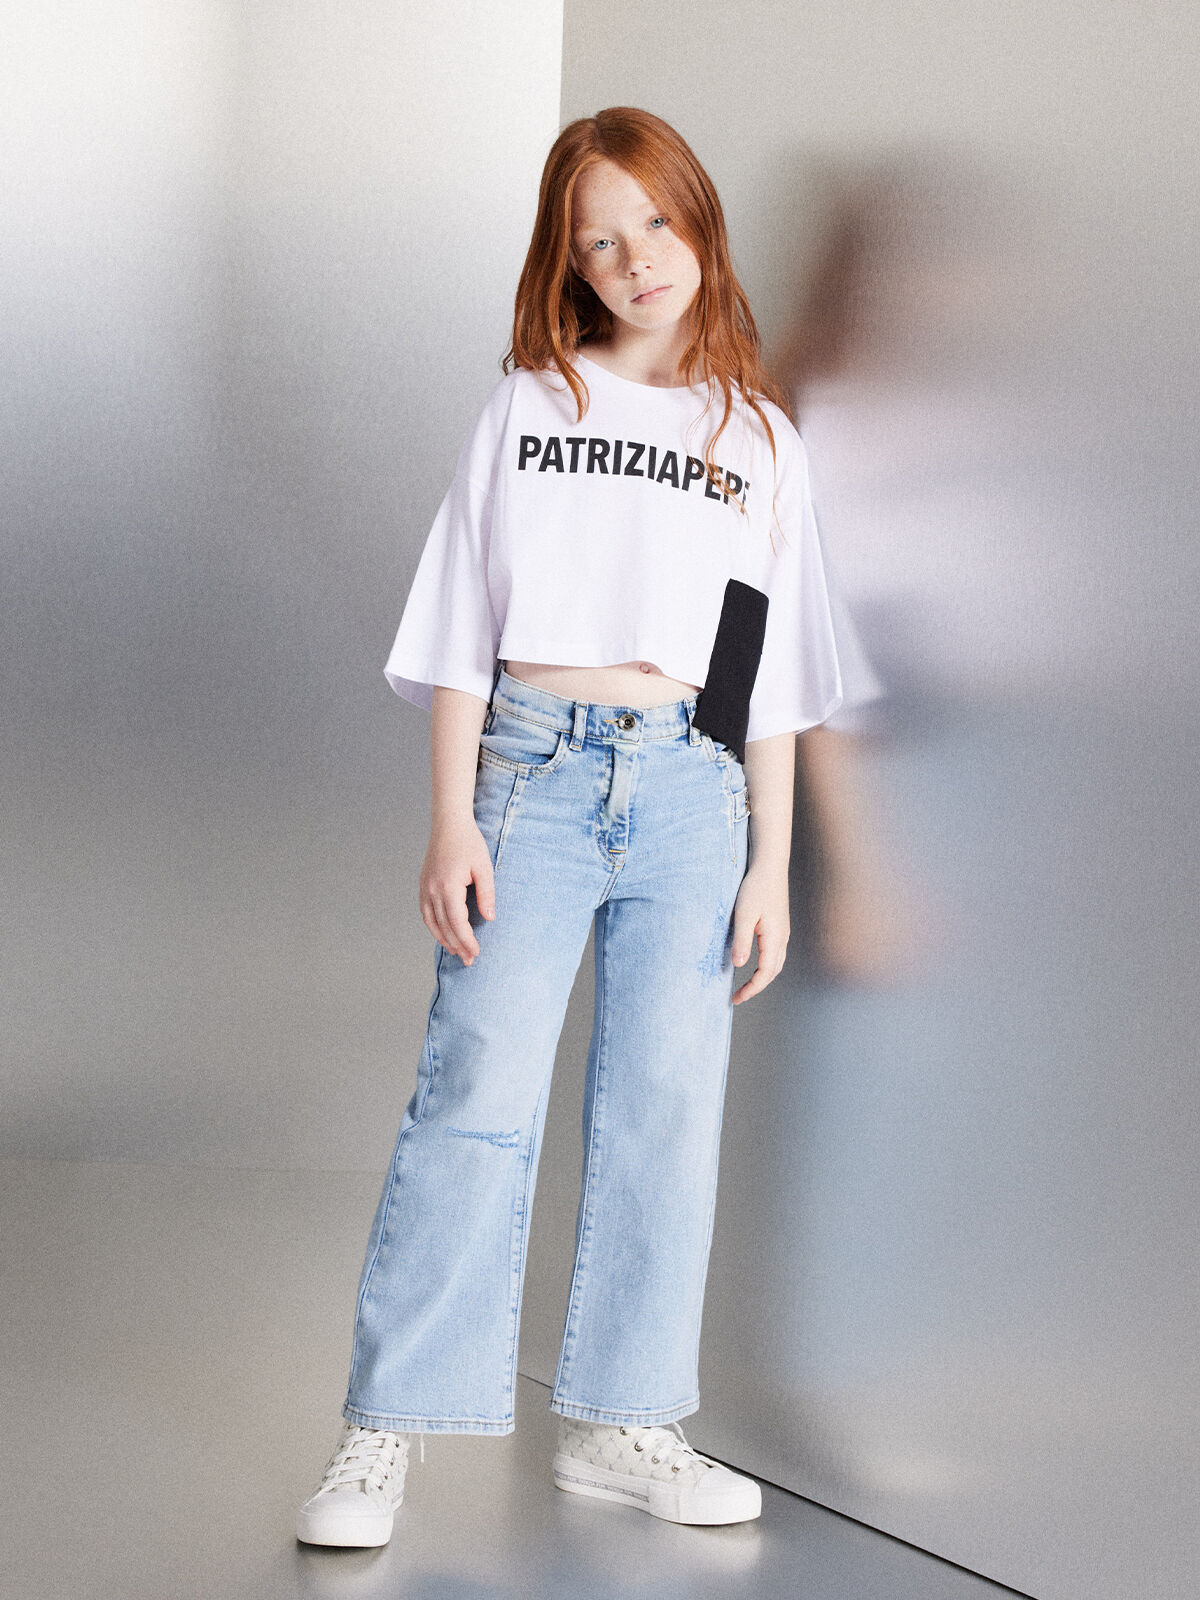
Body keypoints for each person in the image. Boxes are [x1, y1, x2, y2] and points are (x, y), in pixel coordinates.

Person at [296, 105, 847, 1549]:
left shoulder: (758, 438)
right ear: (570, 262)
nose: (634, 259)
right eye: (599, 242)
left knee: (666, 1108)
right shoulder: (534, 406)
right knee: (474, 1092)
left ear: (698, 221)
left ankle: (624, 1422)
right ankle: (383, 1428)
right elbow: (463, 627)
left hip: (691, 790)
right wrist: (452, 822)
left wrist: (770, 862)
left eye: (654, 223)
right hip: (532, 776)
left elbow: (761, 673)